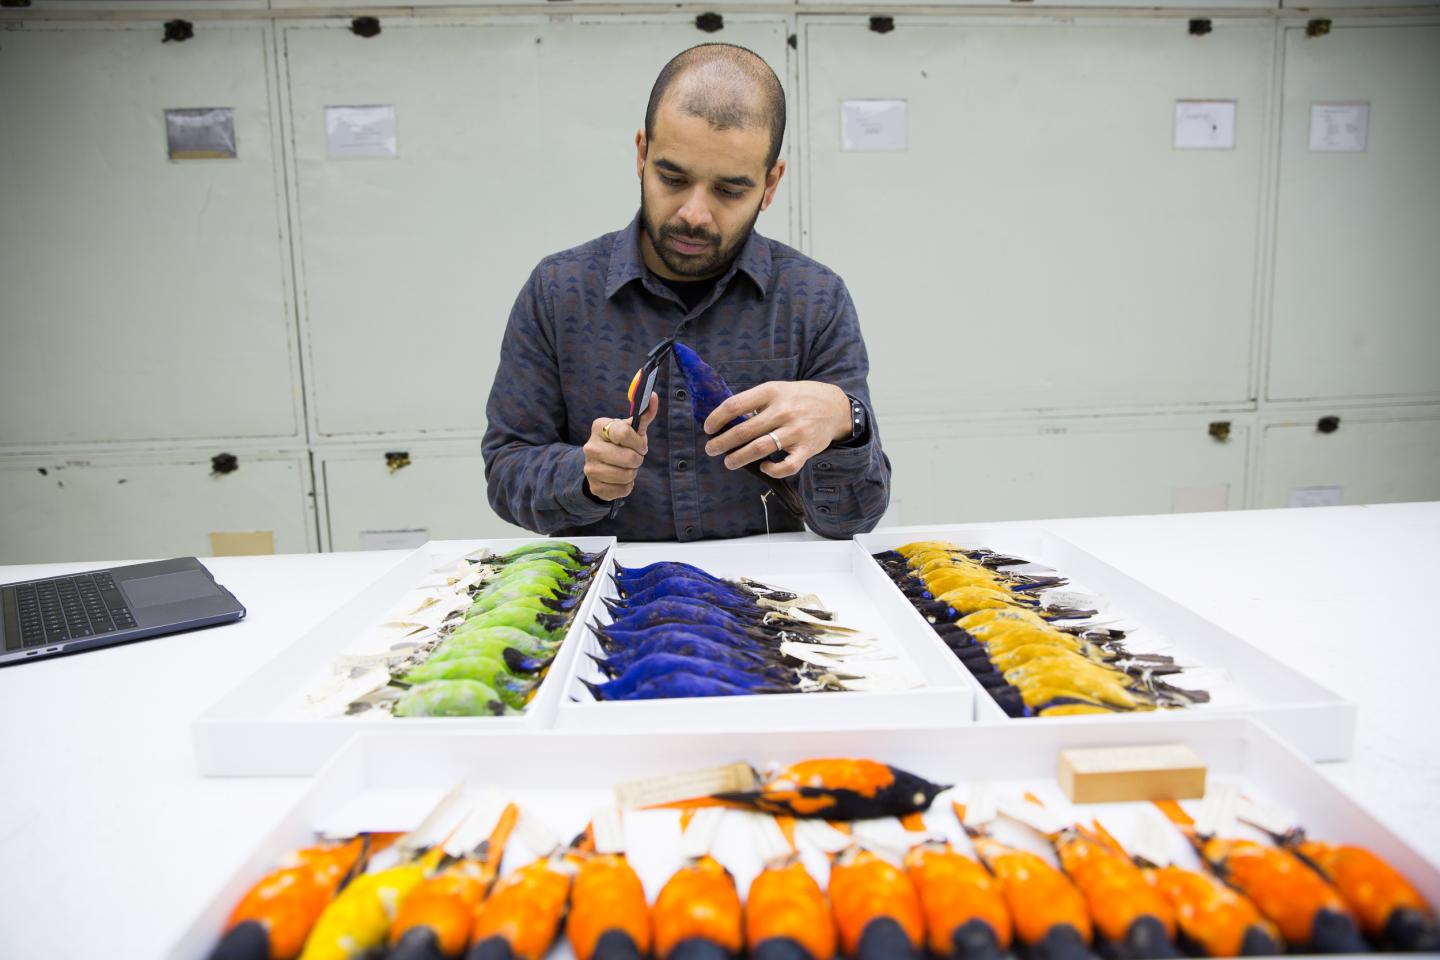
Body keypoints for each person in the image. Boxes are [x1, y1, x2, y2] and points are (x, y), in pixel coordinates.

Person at [482, 42, 890, 541]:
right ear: (641, 154)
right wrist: (583, 478)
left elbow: (852, 519)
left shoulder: (814, 299)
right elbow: (506, 473)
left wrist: (845, 421)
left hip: (771, 605)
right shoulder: (558, 291)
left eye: (729, 190)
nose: (694, 213)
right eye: (672, 178)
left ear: (770, 183)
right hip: (609, 605)